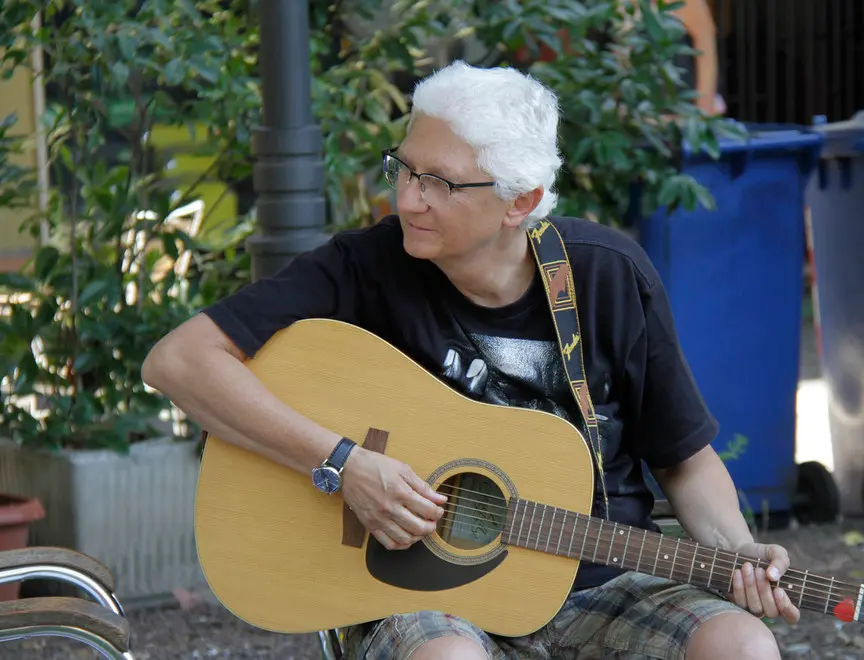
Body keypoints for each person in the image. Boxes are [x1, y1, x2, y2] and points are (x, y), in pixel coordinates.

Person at [142, 61, 798, 659]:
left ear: (523, 202)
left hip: (603, 581)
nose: (407, 199)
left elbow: (682, 457)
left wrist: (736, 552)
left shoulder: (606, 276)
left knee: (742, 645)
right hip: (424, 600)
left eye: (441, 184)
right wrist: (343, 463)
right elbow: (180, 361)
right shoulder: (361, 269)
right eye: (405, 168)